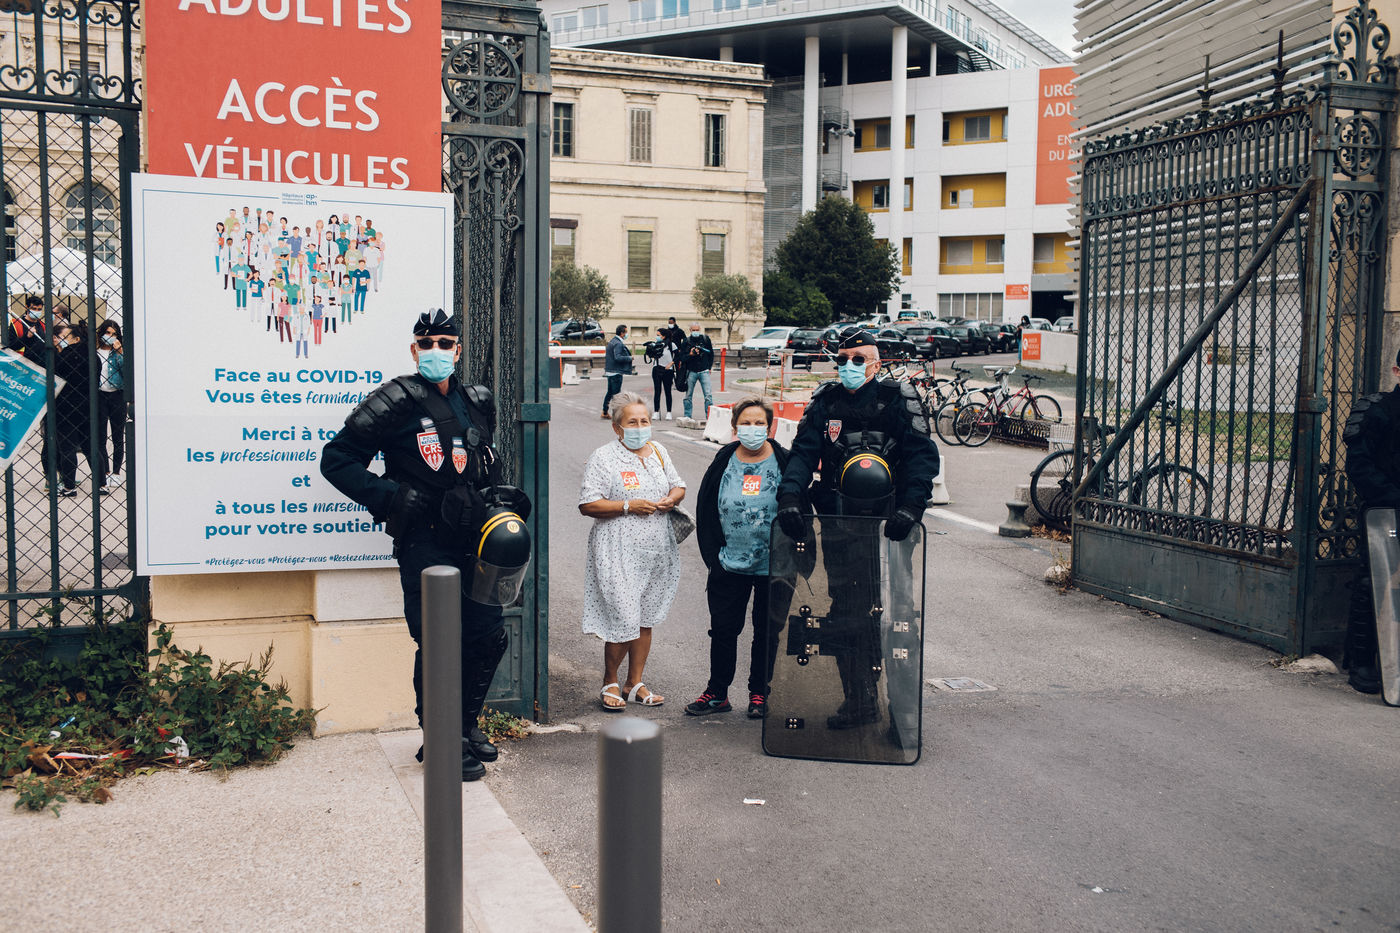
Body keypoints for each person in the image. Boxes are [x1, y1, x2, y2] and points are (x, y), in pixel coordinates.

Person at [321, 309, 531, 782]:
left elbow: (477, 462)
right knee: (439, 639)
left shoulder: (477, 400)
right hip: (425, 540)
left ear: (458, 350)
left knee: (487, 634)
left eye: (445, 343)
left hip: (475, 538)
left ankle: (466, 725)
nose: (437, 351)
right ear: (415, 350)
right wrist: (390, 496)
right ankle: (440, 740)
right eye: (427, 343)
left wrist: (498, 495)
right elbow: (336, 459)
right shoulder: (395, 400)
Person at [774, 328, 938, 731]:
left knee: (898, 611)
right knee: (847, 611)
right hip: (840, 524)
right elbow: (802, 455)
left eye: (858, 359)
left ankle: (903, 708)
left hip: (891, 526)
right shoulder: (826, 402)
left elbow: (921, 456)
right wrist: (790, 496)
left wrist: (912, 507)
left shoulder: (898, 399)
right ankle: (859, 700)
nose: (849, 365)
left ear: (876, 364)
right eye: (843, 358)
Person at [686, 397, 801, 719]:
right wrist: (714, 556)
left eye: (759, 423)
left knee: (767, 632)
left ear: (770, 426)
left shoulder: (785, 461)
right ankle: (717, 693)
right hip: (729, 562)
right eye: (746, 423)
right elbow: (706, 506)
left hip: (775, 565)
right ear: (735, 427)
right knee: (723, 630)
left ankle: (759, 693)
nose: (753, 429)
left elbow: (799, 504)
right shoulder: (724, 459)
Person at [578, 392, 686, 710]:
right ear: (617, 427)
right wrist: (628, 505)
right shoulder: (603, 457)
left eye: (644, 421)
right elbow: (588, 503)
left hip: (656, 550)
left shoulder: (659, 451)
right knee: (624, 617)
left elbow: (678, 485)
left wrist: (672, 499)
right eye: (632, 422)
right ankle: (610, 680)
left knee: (645, 617)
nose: (640, 427)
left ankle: (634, 682)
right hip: (617, 551)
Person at [1341, 349, 1400, 698]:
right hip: (1384, 512)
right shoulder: (1377, 410)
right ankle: (1362, 662)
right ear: (1396, 370)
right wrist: (1392, 497)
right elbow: (1359, 466)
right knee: (1373, 582)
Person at [52, 321, 105, 497]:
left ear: (76, 339)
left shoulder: (64, 356)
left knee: (67, 447)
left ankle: (69, 486)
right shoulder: (94, 357)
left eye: (64, 336)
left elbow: (55, 375)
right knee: (91, 447)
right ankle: (101, 484)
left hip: (66, 408)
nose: (60, 339)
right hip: (89, 406)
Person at [95, 319, 125, 491]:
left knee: (118, 436)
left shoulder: (119, 353)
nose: (110, 337)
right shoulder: (95, 351)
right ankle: (105, 471)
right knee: (100, 436)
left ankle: (116, 472)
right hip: (100, 395)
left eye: (114, 334)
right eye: (107, 333)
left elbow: (127, 372)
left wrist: (120, 352)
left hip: (117, 395)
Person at [681, 323, 714, 421]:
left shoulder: (705, 339)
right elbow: (682, 358)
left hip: (704, 370)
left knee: (708, 395)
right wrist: (690, 354)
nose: (696, 332)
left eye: (697, 330)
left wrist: (709, 367)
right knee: (688, 395)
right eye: (693, 330)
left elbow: (711, 354)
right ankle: (687, 416)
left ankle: (709, 417)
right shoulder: (686, 341)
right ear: (690, 330)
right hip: (691, 371)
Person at [601, 324, 632, 419]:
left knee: (610, 392)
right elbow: (618, 357)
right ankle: (616, 415)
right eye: (626, 332)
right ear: (622, 333)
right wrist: (629, 358)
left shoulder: (612, 341)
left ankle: (605, 411)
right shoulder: (618, 343)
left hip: (610, 371)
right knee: (616, 395)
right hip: (616, 372)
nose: (626, 334)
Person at [645, 327, 675, 420]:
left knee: (667, 391)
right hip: (657, 368)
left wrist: (671, 363)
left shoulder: (671, 345)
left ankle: (669, 412)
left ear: (664, 336)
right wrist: (650, 349)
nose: (657, 337)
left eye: (658, 335)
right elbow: (650, 355)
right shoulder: (656, 344)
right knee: (657, 391)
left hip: (668, 370)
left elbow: (678, 356)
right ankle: (656, 412)